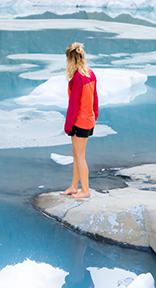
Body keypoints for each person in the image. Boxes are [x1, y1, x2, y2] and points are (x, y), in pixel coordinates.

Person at [61, 42, 98, 199]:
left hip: (80, 121)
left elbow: (74, 105)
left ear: (70, 59)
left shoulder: (77, 78)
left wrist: (68, 125)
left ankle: (85, 191)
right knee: (76, 153)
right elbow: (95, 98)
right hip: (88, 119)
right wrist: (94, 115)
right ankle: (74, 187)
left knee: (80, 156)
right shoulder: (90, 73)